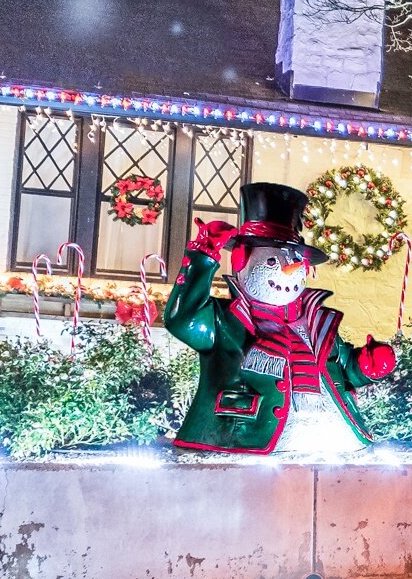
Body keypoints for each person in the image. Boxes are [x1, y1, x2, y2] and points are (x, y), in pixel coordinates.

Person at [164, 181, 396, 455]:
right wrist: (203, 254)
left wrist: (365, 365)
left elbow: (341, 368)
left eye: (295, 261)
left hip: (332, 444)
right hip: (246, 439)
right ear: (242, 262)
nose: (289, 270)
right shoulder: (226, 321)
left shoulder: (316, 321)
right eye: (273, 262)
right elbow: (183, 318)